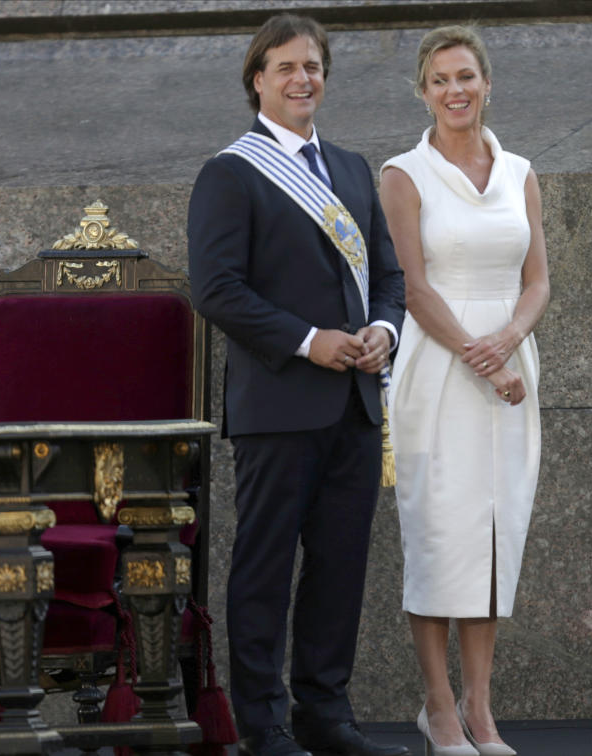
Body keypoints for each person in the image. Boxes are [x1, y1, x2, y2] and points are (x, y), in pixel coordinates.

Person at [187, 14, 407, 756]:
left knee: (339, 568)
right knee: (267, 568)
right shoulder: (230, 172)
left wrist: (384, 331)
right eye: (284, 67)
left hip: (356, 401)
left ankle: (326, 714)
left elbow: (388, 276)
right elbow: (216, 289)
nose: (301, 78)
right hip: (279, 404)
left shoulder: (350, 167)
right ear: (258, 80)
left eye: (311, 66)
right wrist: (310, 342)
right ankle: (264, 722)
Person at [379, 25, 550, 756]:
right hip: (439, 368)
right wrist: (487, 358)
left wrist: (511, 339)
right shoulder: (402, 173)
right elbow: (412, 288)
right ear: (423, 91)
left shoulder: (520, 171)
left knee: (493, 534)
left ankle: (482, 712)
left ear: (488, 84)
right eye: (441, 79)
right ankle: (438, 708)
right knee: (440, 534)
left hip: (512, 368)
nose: (456, 91)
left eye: (467, 77)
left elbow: (537, 279)